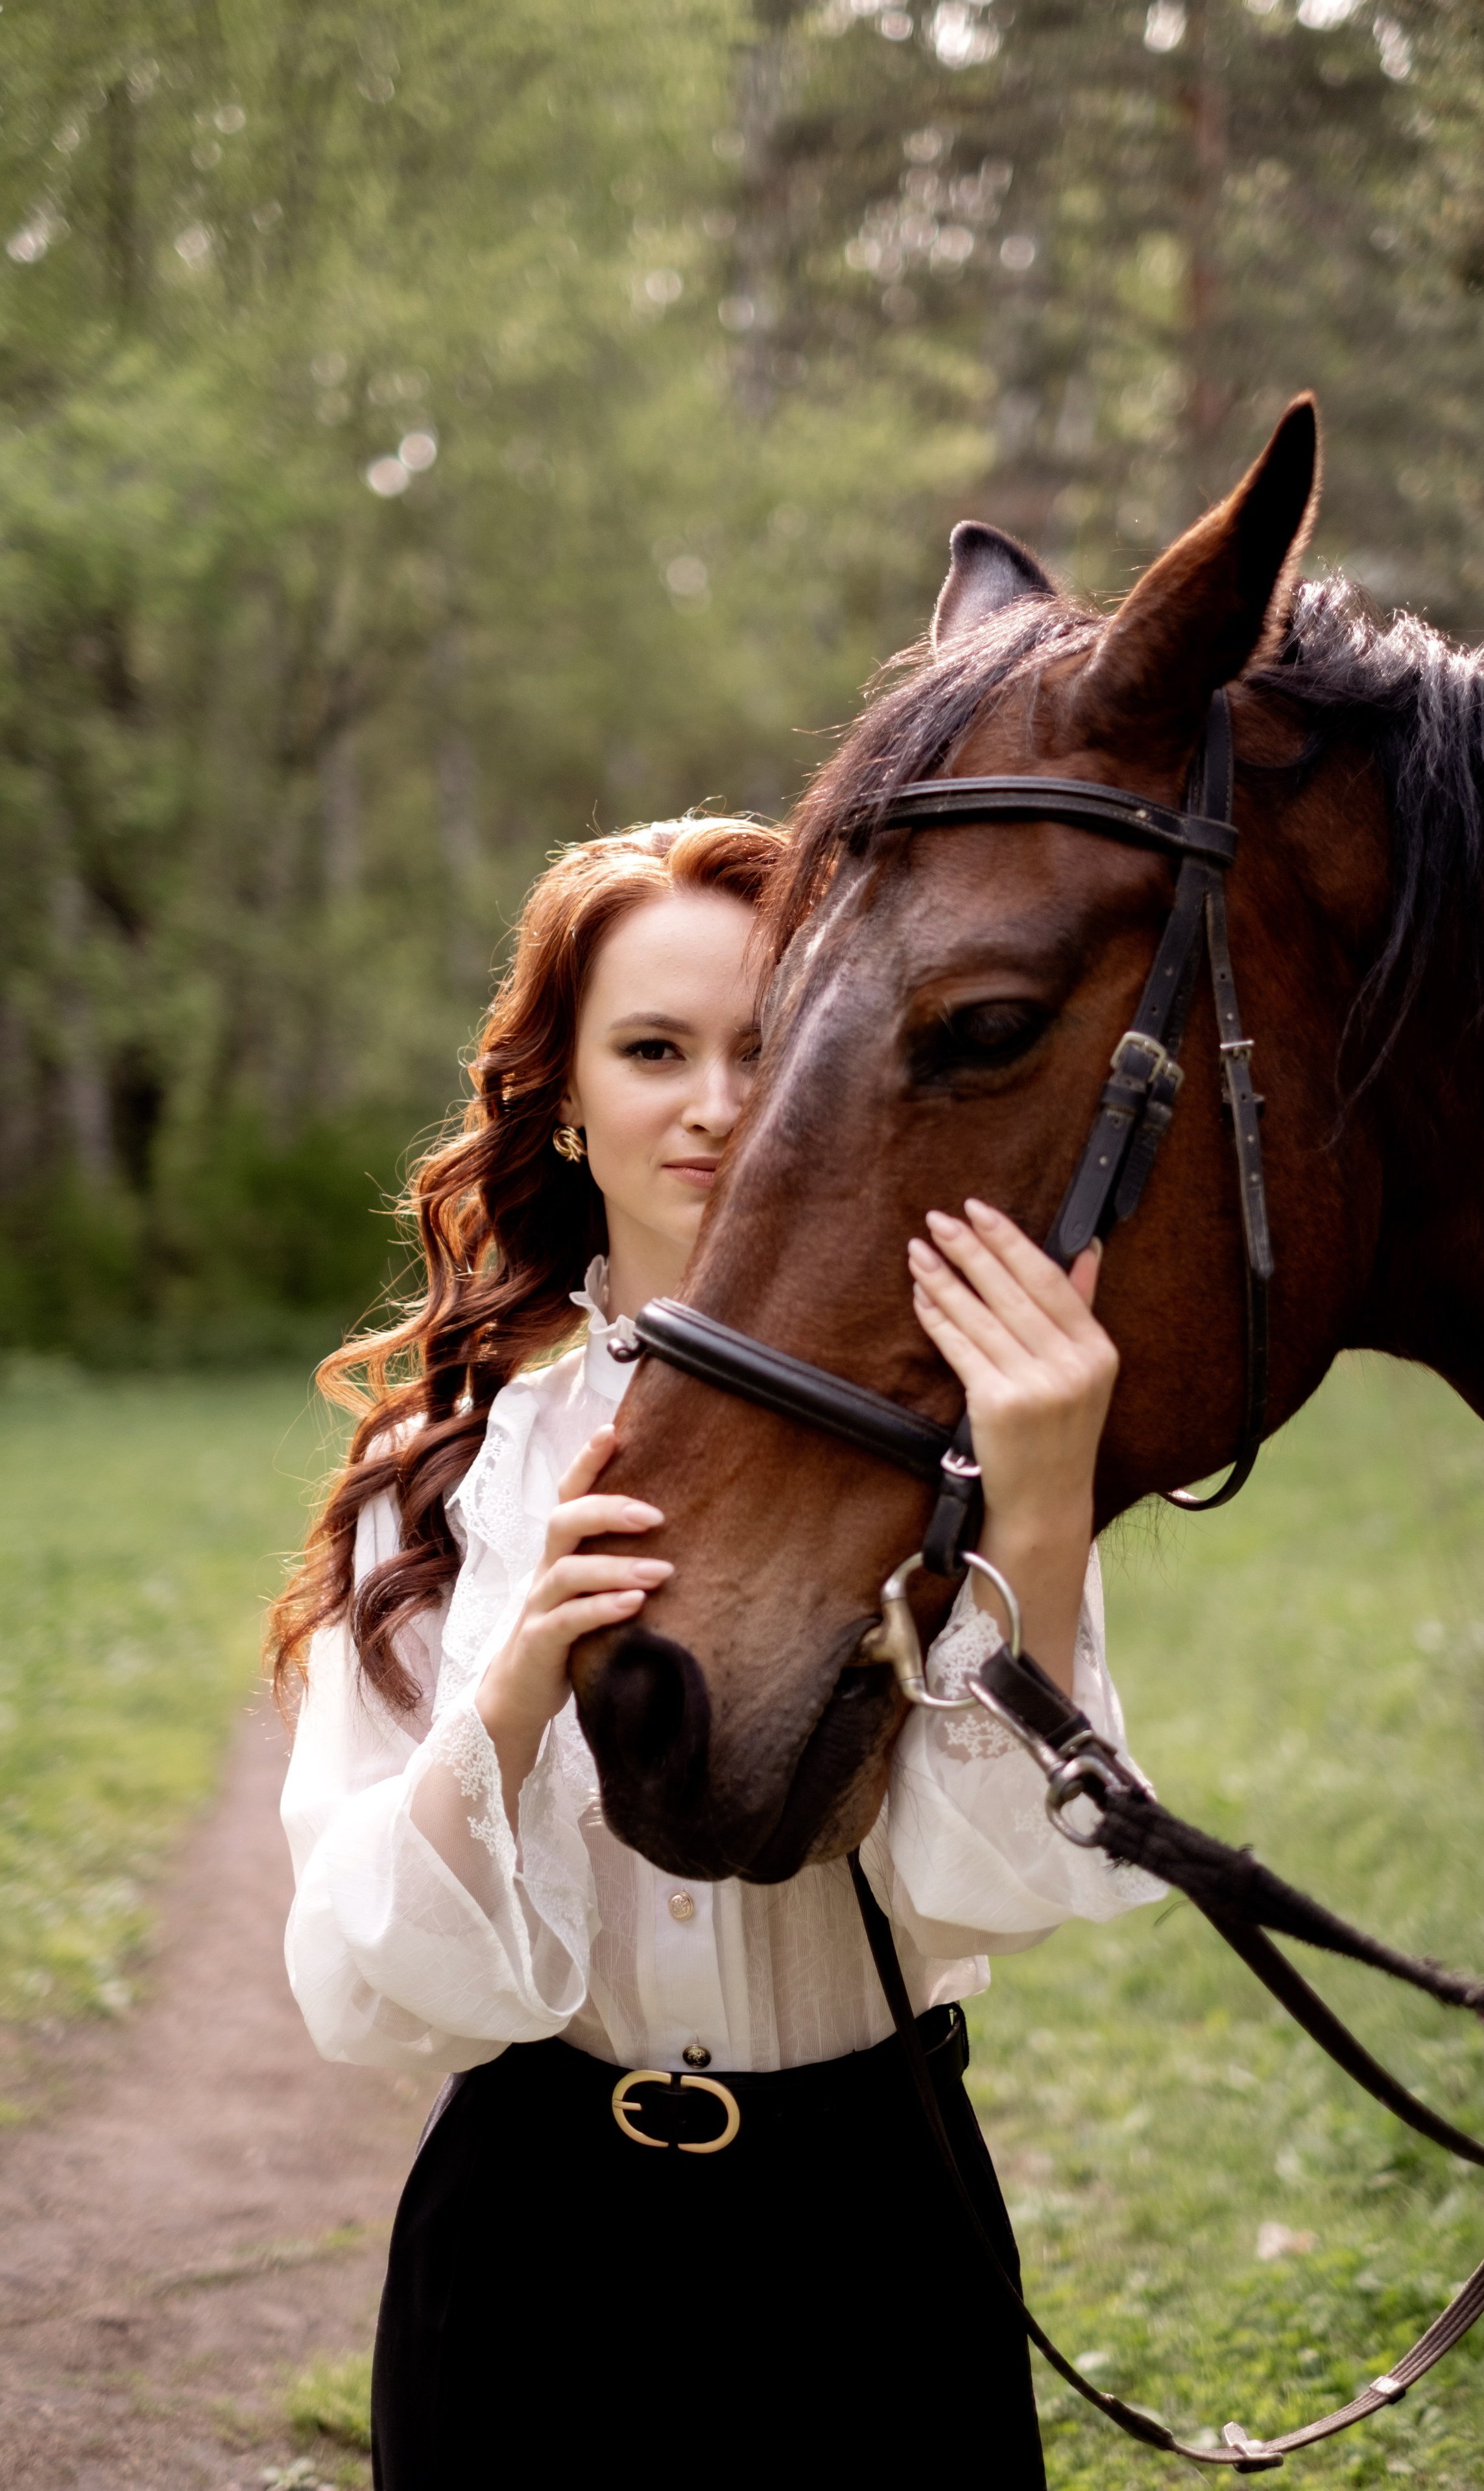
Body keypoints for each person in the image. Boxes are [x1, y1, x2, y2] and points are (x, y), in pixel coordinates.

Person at [270, 816, 1162, 2490]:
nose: (717, 1101)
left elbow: (996, 1893)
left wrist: (1040, 1511)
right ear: (562, 1096)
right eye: (654, 1049)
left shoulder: (948, 1436)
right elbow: (364, 1976)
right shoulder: (445, 1480)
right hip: (535, 2255)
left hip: (875, 2246)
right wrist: (518, 1690)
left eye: (767, 1045)